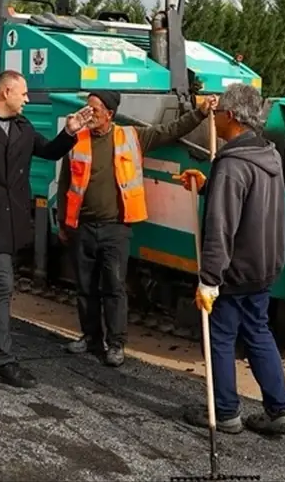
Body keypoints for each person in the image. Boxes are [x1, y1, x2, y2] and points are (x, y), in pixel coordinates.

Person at [57, 89, 218, 367]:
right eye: (87, 108)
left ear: (109, 114)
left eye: (94, 109)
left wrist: (201, 113)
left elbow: (171, 130)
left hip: (116, 229)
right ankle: (91, 337)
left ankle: (116, 344)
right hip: (82, 228)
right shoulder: (76, 140)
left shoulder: (131, 137)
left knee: (114, 287)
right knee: (85, 287)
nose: (88, 114)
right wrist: (62, 221)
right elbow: (65, 183)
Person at [0, 70, 91, 389]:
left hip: (12, 219)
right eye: (24, 93)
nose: (27, 99)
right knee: (3, 283)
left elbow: (49, 151)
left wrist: (70, 132)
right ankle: (3, 360)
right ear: (6, 92)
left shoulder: (22, 127)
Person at [178, 82, 285, 436]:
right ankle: (280, 411)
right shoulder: (269, 155)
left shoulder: (232, 165)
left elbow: (221, 226)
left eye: (217, 114)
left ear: (230, 116)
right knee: (258, 331)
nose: (213, 119)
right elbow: (250, 201)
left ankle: (225, 412)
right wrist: (208, 185)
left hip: (234, 269)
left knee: (220, 337)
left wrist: (209, 280)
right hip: (263, 266)